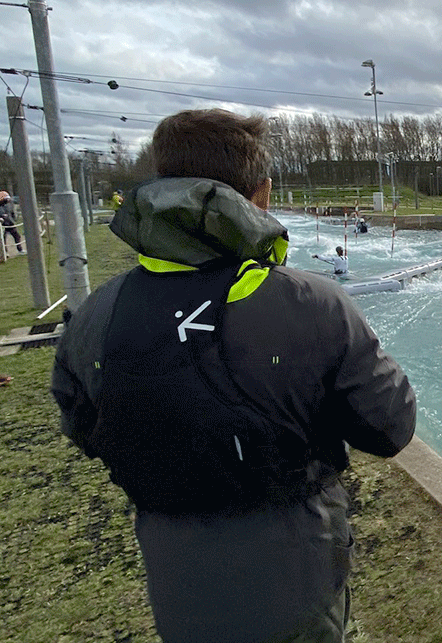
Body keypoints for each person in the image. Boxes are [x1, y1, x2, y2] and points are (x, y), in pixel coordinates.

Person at [51, 109, 416, 643]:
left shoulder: (95, 316)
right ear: (261, 196)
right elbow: (390, 427)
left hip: (174, 572)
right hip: (298, 567)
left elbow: (84, 428)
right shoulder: (312, 304)